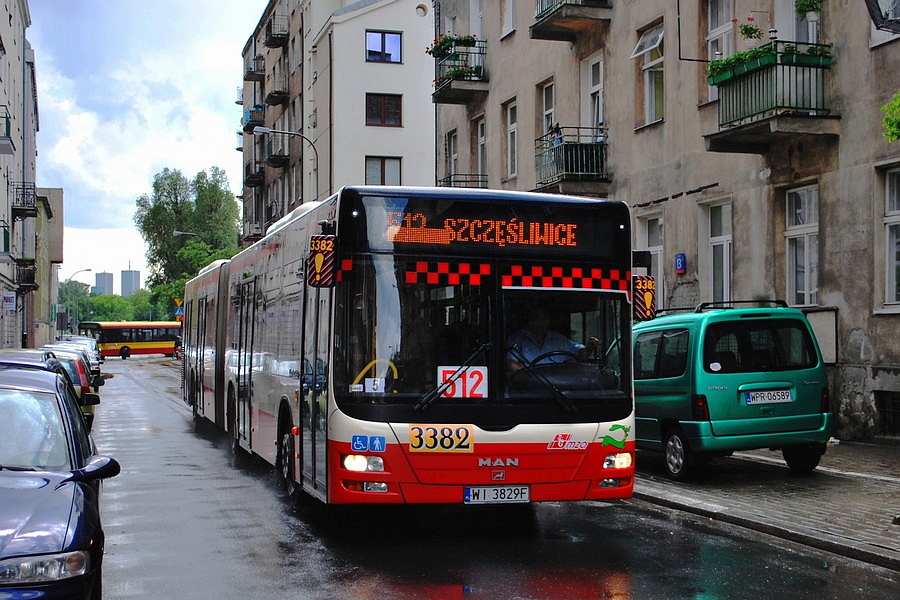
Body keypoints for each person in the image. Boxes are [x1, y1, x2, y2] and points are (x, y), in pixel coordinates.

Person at [506, 306, 599, 371]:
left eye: (544, 319)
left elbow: (579, 354)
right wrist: (532, 376)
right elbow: (509, 363)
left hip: (556, 387)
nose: (541, 322)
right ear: (529, 320)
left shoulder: (558, 339)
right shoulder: (517, 339)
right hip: (527, 388)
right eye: (537, 318)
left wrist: (589, 347)